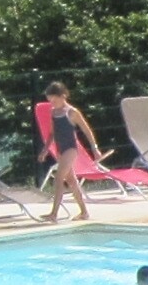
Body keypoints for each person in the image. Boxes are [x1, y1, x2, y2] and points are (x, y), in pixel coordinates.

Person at [39, 82, 104, 223]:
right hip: (60, 150)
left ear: (63, 96)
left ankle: (54, 213)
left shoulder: (72, 112)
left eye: (54, 100)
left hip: (70, 149)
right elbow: (51, 133)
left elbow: (87, 130)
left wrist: (95, 148)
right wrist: (45, 150)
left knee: (58, 178)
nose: (52, 103)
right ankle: (84, 212)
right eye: (50, 100)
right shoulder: (53, 112)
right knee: (72, 182)